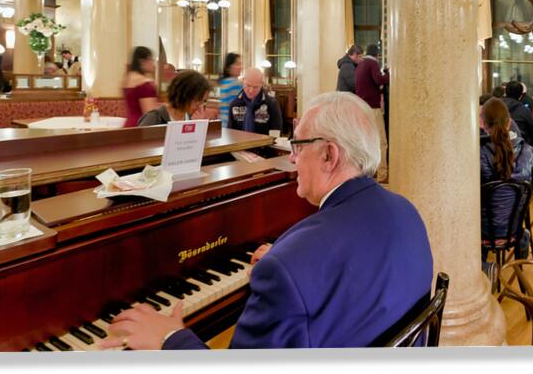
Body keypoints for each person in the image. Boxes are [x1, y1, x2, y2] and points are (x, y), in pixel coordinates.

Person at [99, 91, 433, 350]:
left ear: (329, 155)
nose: (292, 158)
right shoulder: (406, 211)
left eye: (298, 145)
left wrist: (170, 338)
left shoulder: (290, 266)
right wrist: (292, 261)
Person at [479, 97, 533, 259]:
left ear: (483, 124)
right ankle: (521, 252)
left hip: (483, 231)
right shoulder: (528, 152)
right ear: (509, 122)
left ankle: (482, 266)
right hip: (514, 230)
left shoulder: (479, 153)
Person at [354, 43, 390, 183]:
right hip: (372, 108)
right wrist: (389, 74)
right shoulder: (372, 63)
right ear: (377, 55)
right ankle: (382, 174)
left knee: (368, 142)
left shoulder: (360, 65)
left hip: (362, 107)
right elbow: (379, 80)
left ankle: (371, 171)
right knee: (381, 142)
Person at [138, 70, 212, 126]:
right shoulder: (154, 118)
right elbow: (139, 141)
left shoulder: (191, 117)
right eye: (197, 101)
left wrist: (199, 126)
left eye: (203, 101)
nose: (200, 106)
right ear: (184, 95)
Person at [227, 67, 282, 135]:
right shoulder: (235, 104)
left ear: (261, 84)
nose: (251, 90)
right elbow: (231, 132)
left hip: (264, 141)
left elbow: (276, 131)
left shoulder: (271, 104)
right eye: (248, 85)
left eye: (255, 87)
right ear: (243, 81)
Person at [122, 46, 160, 127]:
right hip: (141, 126)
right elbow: (150, 114)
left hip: (128, 124)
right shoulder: (145, 83)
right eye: (151, 59)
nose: (153, 64)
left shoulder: (127, 78)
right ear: (142, 62)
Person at [501, 82, 533, 148]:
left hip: (496, 147)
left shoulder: (495, 106)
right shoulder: (524, 110)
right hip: (519, 147)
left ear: (505, 92)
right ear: (521, 95)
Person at [217, 52, 243, 127]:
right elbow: (240, 108)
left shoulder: (223, 81)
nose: (240, 67)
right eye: (237, 64)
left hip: (223, 122)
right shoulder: (236, 83)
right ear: (228, 67)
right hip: (232, 124)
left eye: (240, 64)